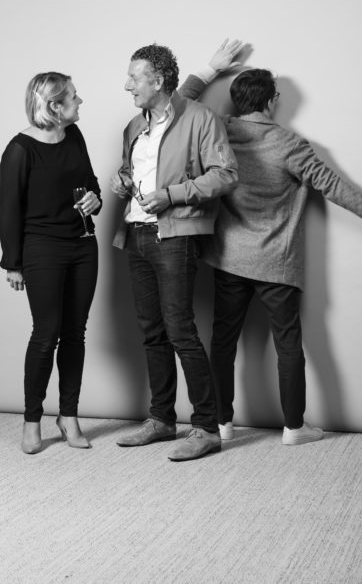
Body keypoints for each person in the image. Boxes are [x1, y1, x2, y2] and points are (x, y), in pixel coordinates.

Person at [181, 67, 362, 444]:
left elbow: (178, 108)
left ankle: (221, 423)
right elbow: (331, 185)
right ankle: (293, 427)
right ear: (271, 101)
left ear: (237, 101)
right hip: (276, 261)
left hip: (229, 259)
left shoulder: (219, 130)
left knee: (223, 343)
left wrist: (210, 68)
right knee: (288, 345)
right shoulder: (290, 145)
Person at [110, 40, 242, 461]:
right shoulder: (134, 126)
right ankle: (162, 419)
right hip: (136, 234)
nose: (127, 84)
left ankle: (206, 428)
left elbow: (226, 174)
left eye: (134, 77)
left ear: (159, 80)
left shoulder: (200, 118)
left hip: (176, 236)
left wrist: (172, 195)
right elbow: (133, 169)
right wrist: (122, 180)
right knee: (151, 332)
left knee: (180, 330)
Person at [0, 72, 102, 454]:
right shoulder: (19, 149)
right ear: (55, 106)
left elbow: (91, 182)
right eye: (74, 96)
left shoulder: (74, 136)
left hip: (83, 246)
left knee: (76, 333)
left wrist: (95, 198)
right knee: (46, 334)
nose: (80, 101)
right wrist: (13, 263)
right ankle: (32, 421)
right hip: (42, 248)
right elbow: (8, 209)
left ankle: (68, 416)